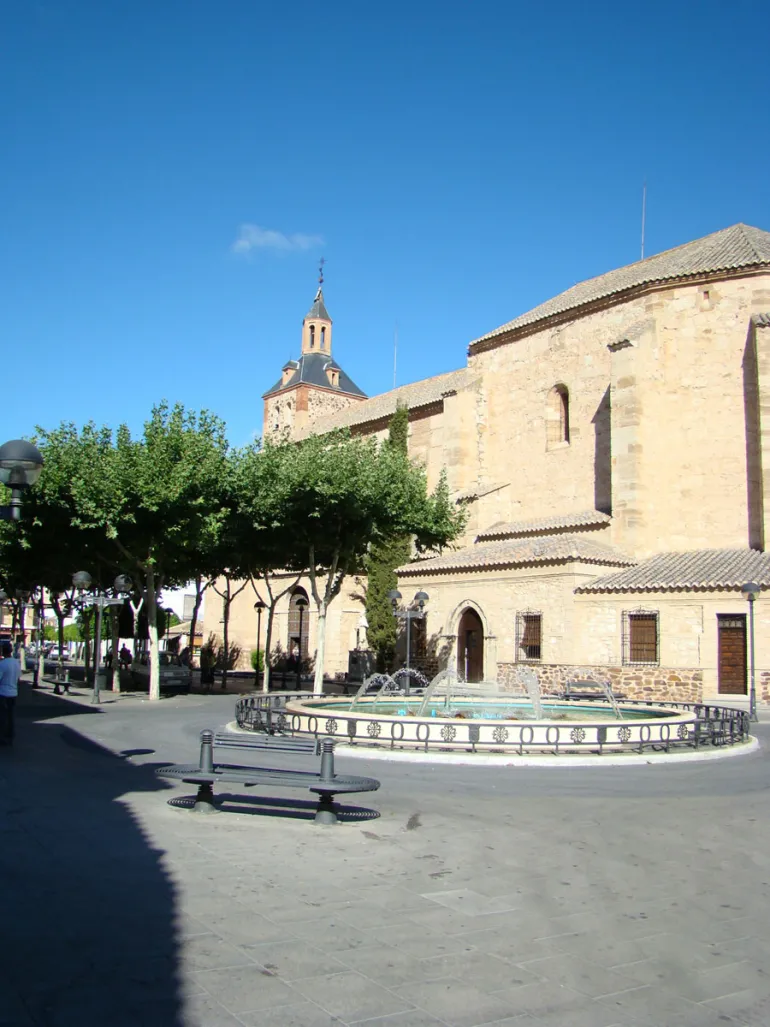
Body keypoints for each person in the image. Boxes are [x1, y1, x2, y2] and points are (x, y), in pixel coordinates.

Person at [0, 640, 21, 747]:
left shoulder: (2, 664)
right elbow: (18, 677)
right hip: (13, 693)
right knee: (11, 716)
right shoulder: (16, 663)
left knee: (3, 716)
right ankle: (10, 736)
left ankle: (3, 737)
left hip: (3, 693)